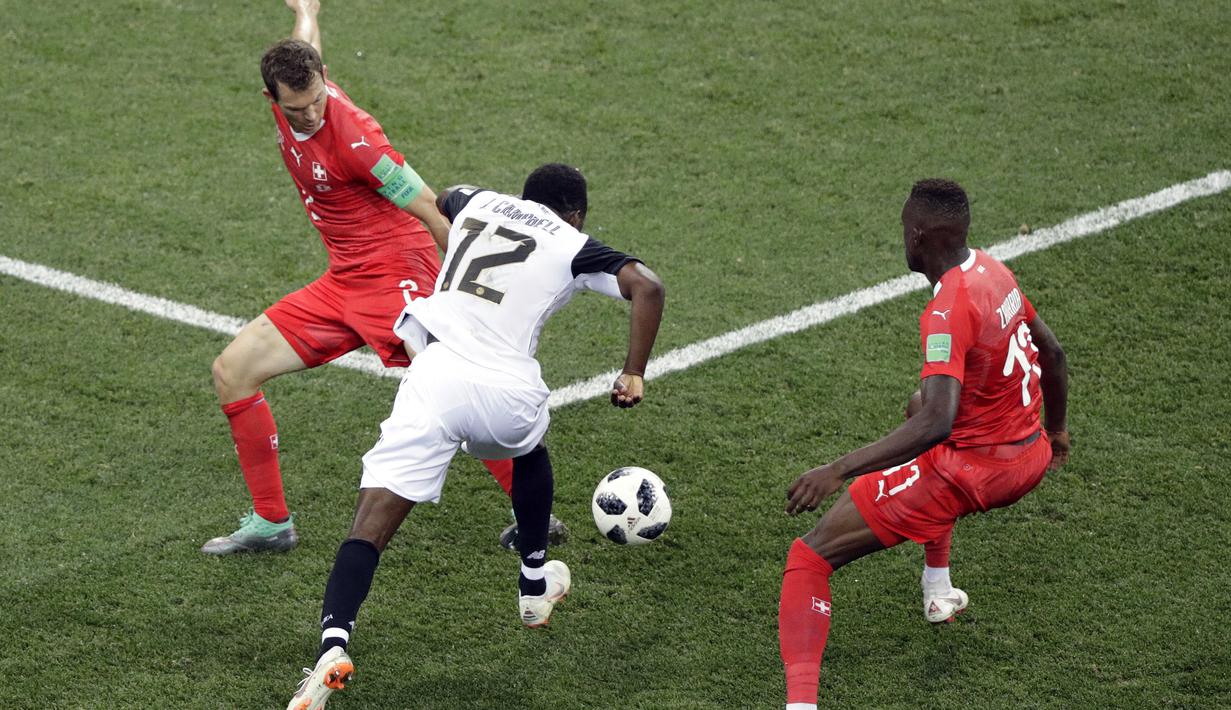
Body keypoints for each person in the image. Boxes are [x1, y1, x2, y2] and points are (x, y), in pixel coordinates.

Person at [286, 163, 665, 709]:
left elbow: (446, 198)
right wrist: (633, 371)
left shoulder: (476, 201)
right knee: (530, 447)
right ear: (576, 213)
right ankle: (533, 585)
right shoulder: (576, 243)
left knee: (368, 526)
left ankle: (332, 647)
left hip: (434, 377)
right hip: (505, 395)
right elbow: (647, 288)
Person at [203, 0, 565, 555]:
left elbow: (429, 209)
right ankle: (272, 524)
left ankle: (536, 518)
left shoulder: (358, 143)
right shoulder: (299, 86)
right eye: (296, 108)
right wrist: (307, 11)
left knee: (453, 383)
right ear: (272, 99)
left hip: (398, 268)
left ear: (326, 85)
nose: (310, 115)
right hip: (344, 279)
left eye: (317, 101)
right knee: (233, 371)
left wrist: (462, 286)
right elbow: (307, 46)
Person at [777, 179, 1071, 709]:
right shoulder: (993, 271)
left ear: (918, 235)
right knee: (920, 401)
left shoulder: (947, 309)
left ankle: (800, 705)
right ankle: (938, 589)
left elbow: (938, 422)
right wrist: (1059, 432)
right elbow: (1052, 351)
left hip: (979, 470)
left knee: (809, 558)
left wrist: (836, 469)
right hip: (1031, 452)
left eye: (903, 229)